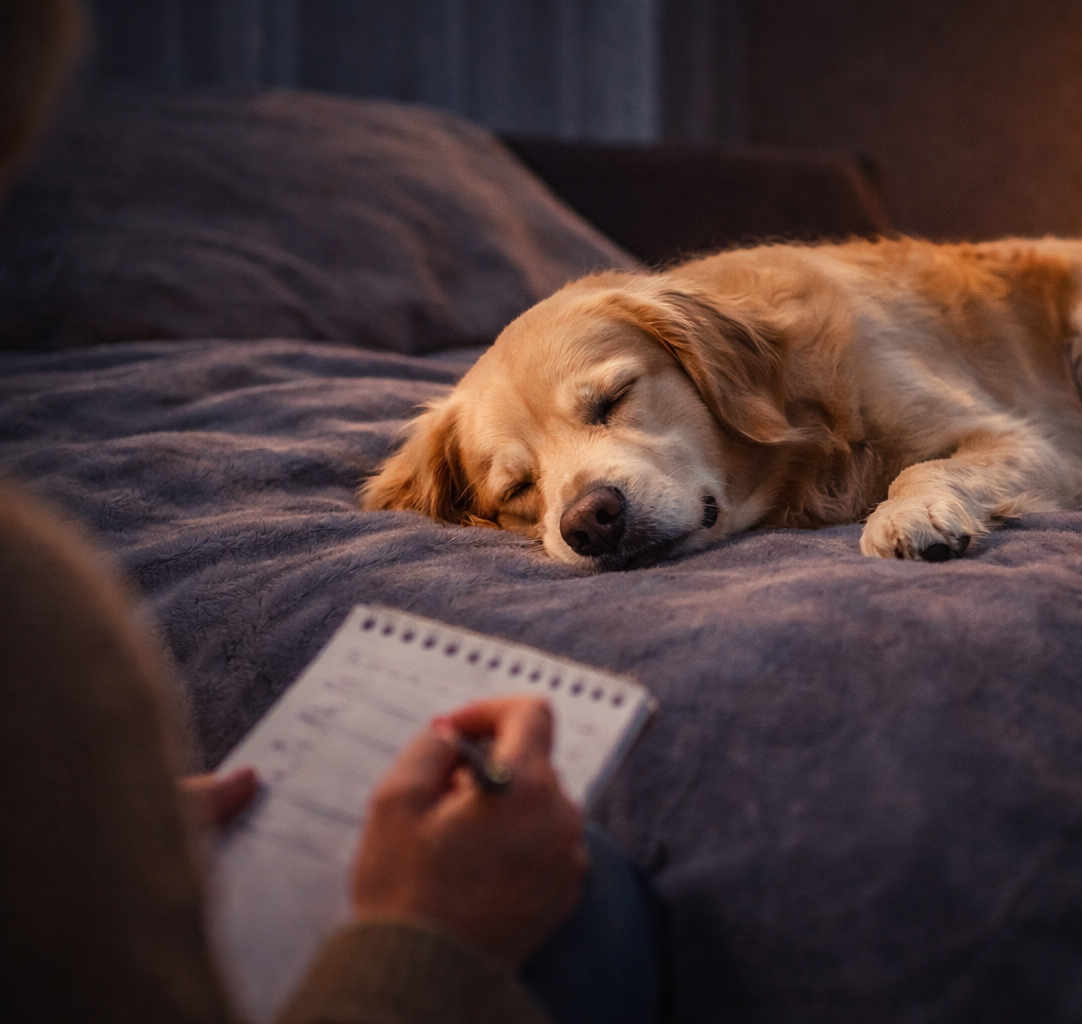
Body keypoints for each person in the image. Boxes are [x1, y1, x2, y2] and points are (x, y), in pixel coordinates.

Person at [0, 4, 660, 1021]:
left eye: (611, 402)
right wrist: (423, 945)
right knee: (591, 898)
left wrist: (103, 850)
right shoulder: (32, 615)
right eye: (519, 490)